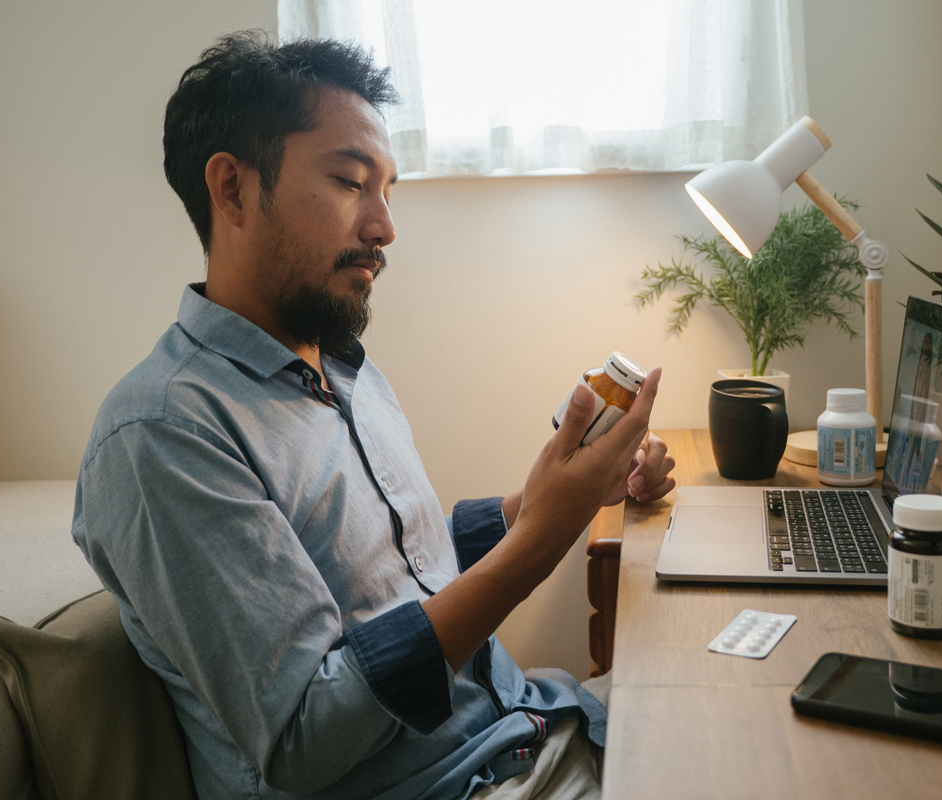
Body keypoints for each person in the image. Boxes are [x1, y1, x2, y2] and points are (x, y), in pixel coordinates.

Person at [72, 32, 675, 800]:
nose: (385, 226)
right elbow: (306, 736)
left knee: (754, 692)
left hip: (535, 727)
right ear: (230, 189)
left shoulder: (342, 366)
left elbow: (405, 571)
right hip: (467, 785)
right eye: (352, 182)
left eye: (389, 190)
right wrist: (539, 540)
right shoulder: (163, 434)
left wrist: (569, 493)